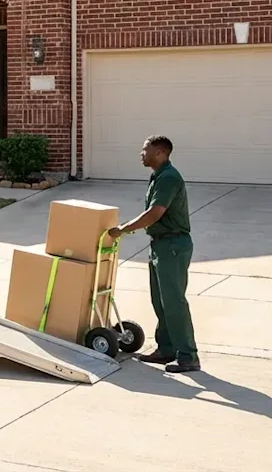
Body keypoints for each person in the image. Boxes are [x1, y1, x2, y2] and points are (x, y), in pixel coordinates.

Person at [106, 135, 199, 373]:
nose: (141, 153)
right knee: (160, 300)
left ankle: (188, 356)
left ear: (159, 153)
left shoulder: (168, 177)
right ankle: (167, 349)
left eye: (145, 149)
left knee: (174, 302)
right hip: (161, 244)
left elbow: (155, 212)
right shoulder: (158, 175)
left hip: (173, 246)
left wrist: (124, 229)